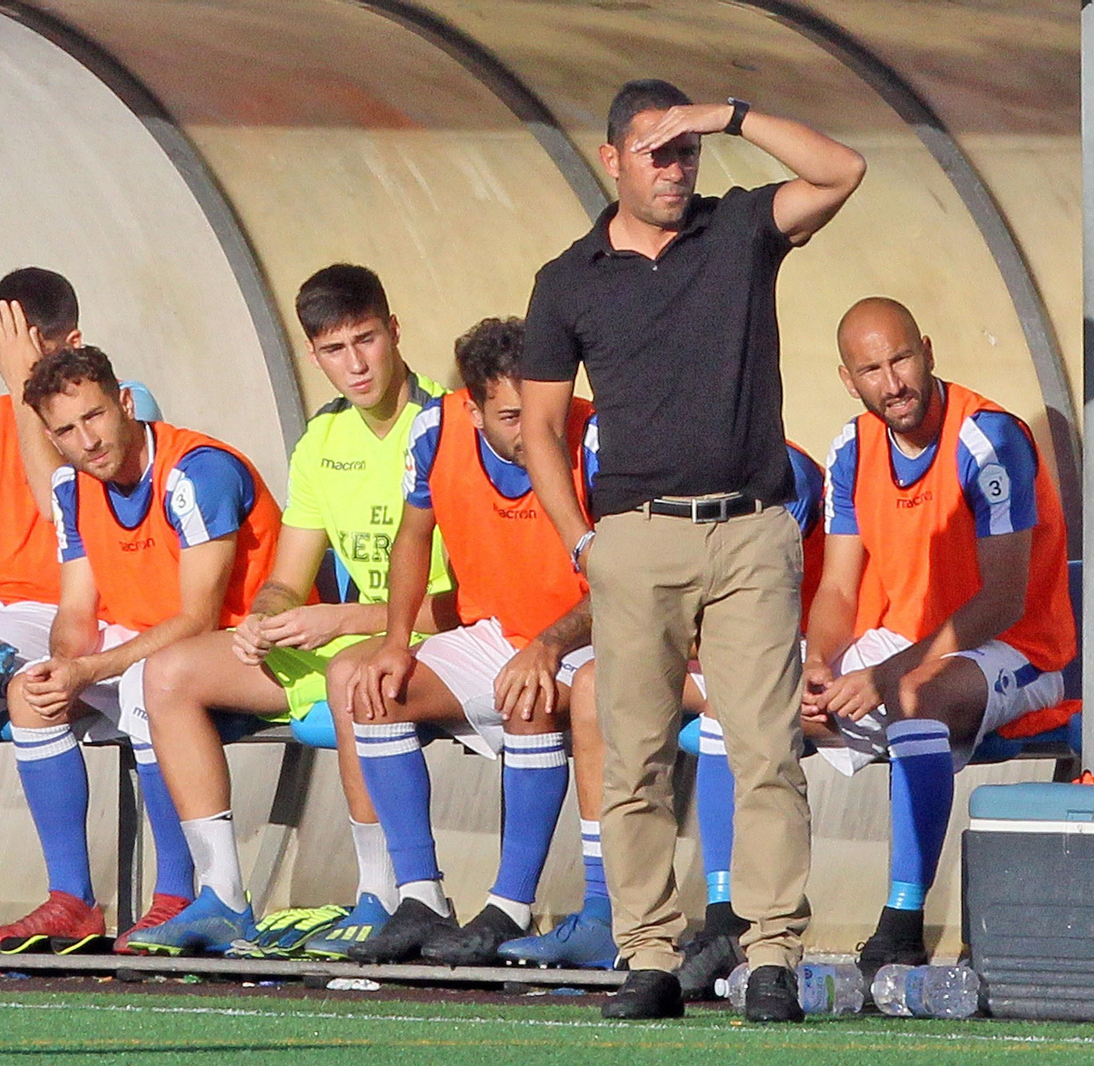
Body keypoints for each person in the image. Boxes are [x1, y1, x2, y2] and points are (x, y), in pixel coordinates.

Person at [520, 78, 863, 1022]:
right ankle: (649, 957)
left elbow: (844, 168)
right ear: (611, 160)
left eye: (687, 151)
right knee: (633, 759)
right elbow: (542, 428)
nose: (676, 169)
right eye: (657, 152)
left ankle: (771, 958)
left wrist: (731, 115)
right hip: (633, 541)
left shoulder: (740, 230)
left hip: (752, 529)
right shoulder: (569, 278)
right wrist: (581, 541)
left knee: (764, 750)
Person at [132, 265, 455, 958]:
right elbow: (287, 577)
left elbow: (470, 604)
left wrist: (338, 622)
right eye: (334, 350)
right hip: (343, 643)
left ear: (394, 332)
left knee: (351, 674)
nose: (356, 363)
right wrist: (264, 616)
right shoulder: (321, 441)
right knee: (168, 673)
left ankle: (384, 896)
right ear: (313, 356)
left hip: (428, 647)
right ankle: (221, 897)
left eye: (366, 339)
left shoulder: (448, 426)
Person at [803, 296, 1075, 979]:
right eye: (872, 369)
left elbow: (1004, 599)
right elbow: (837, 588)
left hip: (1018, 647)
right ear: (848, 378)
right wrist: (817, 661)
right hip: (901, 643)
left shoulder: (989, 437)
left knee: (918, 696)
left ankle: (901, 921)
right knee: (744, 697)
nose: (893, 382)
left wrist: (887, 674)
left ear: (927, 350)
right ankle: (736, 918)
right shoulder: (851, 446)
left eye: (901, 359)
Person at [0, 345, 279, 955]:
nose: (87, 440)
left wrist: (94, 666)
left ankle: (173, 896)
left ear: (124, 402)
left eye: (93, 416)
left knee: (153, 680)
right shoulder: (72, 486)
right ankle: (71, 902)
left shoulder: (196, 472)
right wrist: (65, 665)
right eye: (66, 430)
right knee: (30, 694)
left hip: (249, 652)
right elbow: (76, 610)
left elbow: (199, 617)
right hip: (154, 650)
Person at [496, 440, 823, 980]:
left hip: (788, 648)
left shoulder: (776, 467)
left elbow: (817, 586)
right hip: (655, 623)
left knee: (749, 731)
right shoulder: (610, 437)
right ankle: (611, 920)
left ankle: (736, 921)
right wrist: (586, 548)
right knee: (598, 700)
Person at [0, 270, 175, 953]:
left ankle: (83, 899)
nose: (10, 364)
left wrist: (23, 388)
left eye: (23, 348)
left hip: (70, 601)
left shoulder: (112, 408)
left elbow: (58, 506)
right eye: (1, 351)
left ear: (70, 343)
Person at [334, 316, 596, 968]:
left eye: (541, 408)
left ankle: (509, 907)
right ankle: (420, 896)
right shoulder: (435, 428)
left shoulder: (595, 434)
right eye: (510, 416)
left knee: (529, 696)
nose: (532, 427)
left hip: (588, 634)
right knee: (376, 688)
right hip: (491, 631)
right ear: (473, 410)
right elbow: (413, 537)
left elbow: (625, 576)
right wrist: (396, 640)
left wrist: (550, 646)